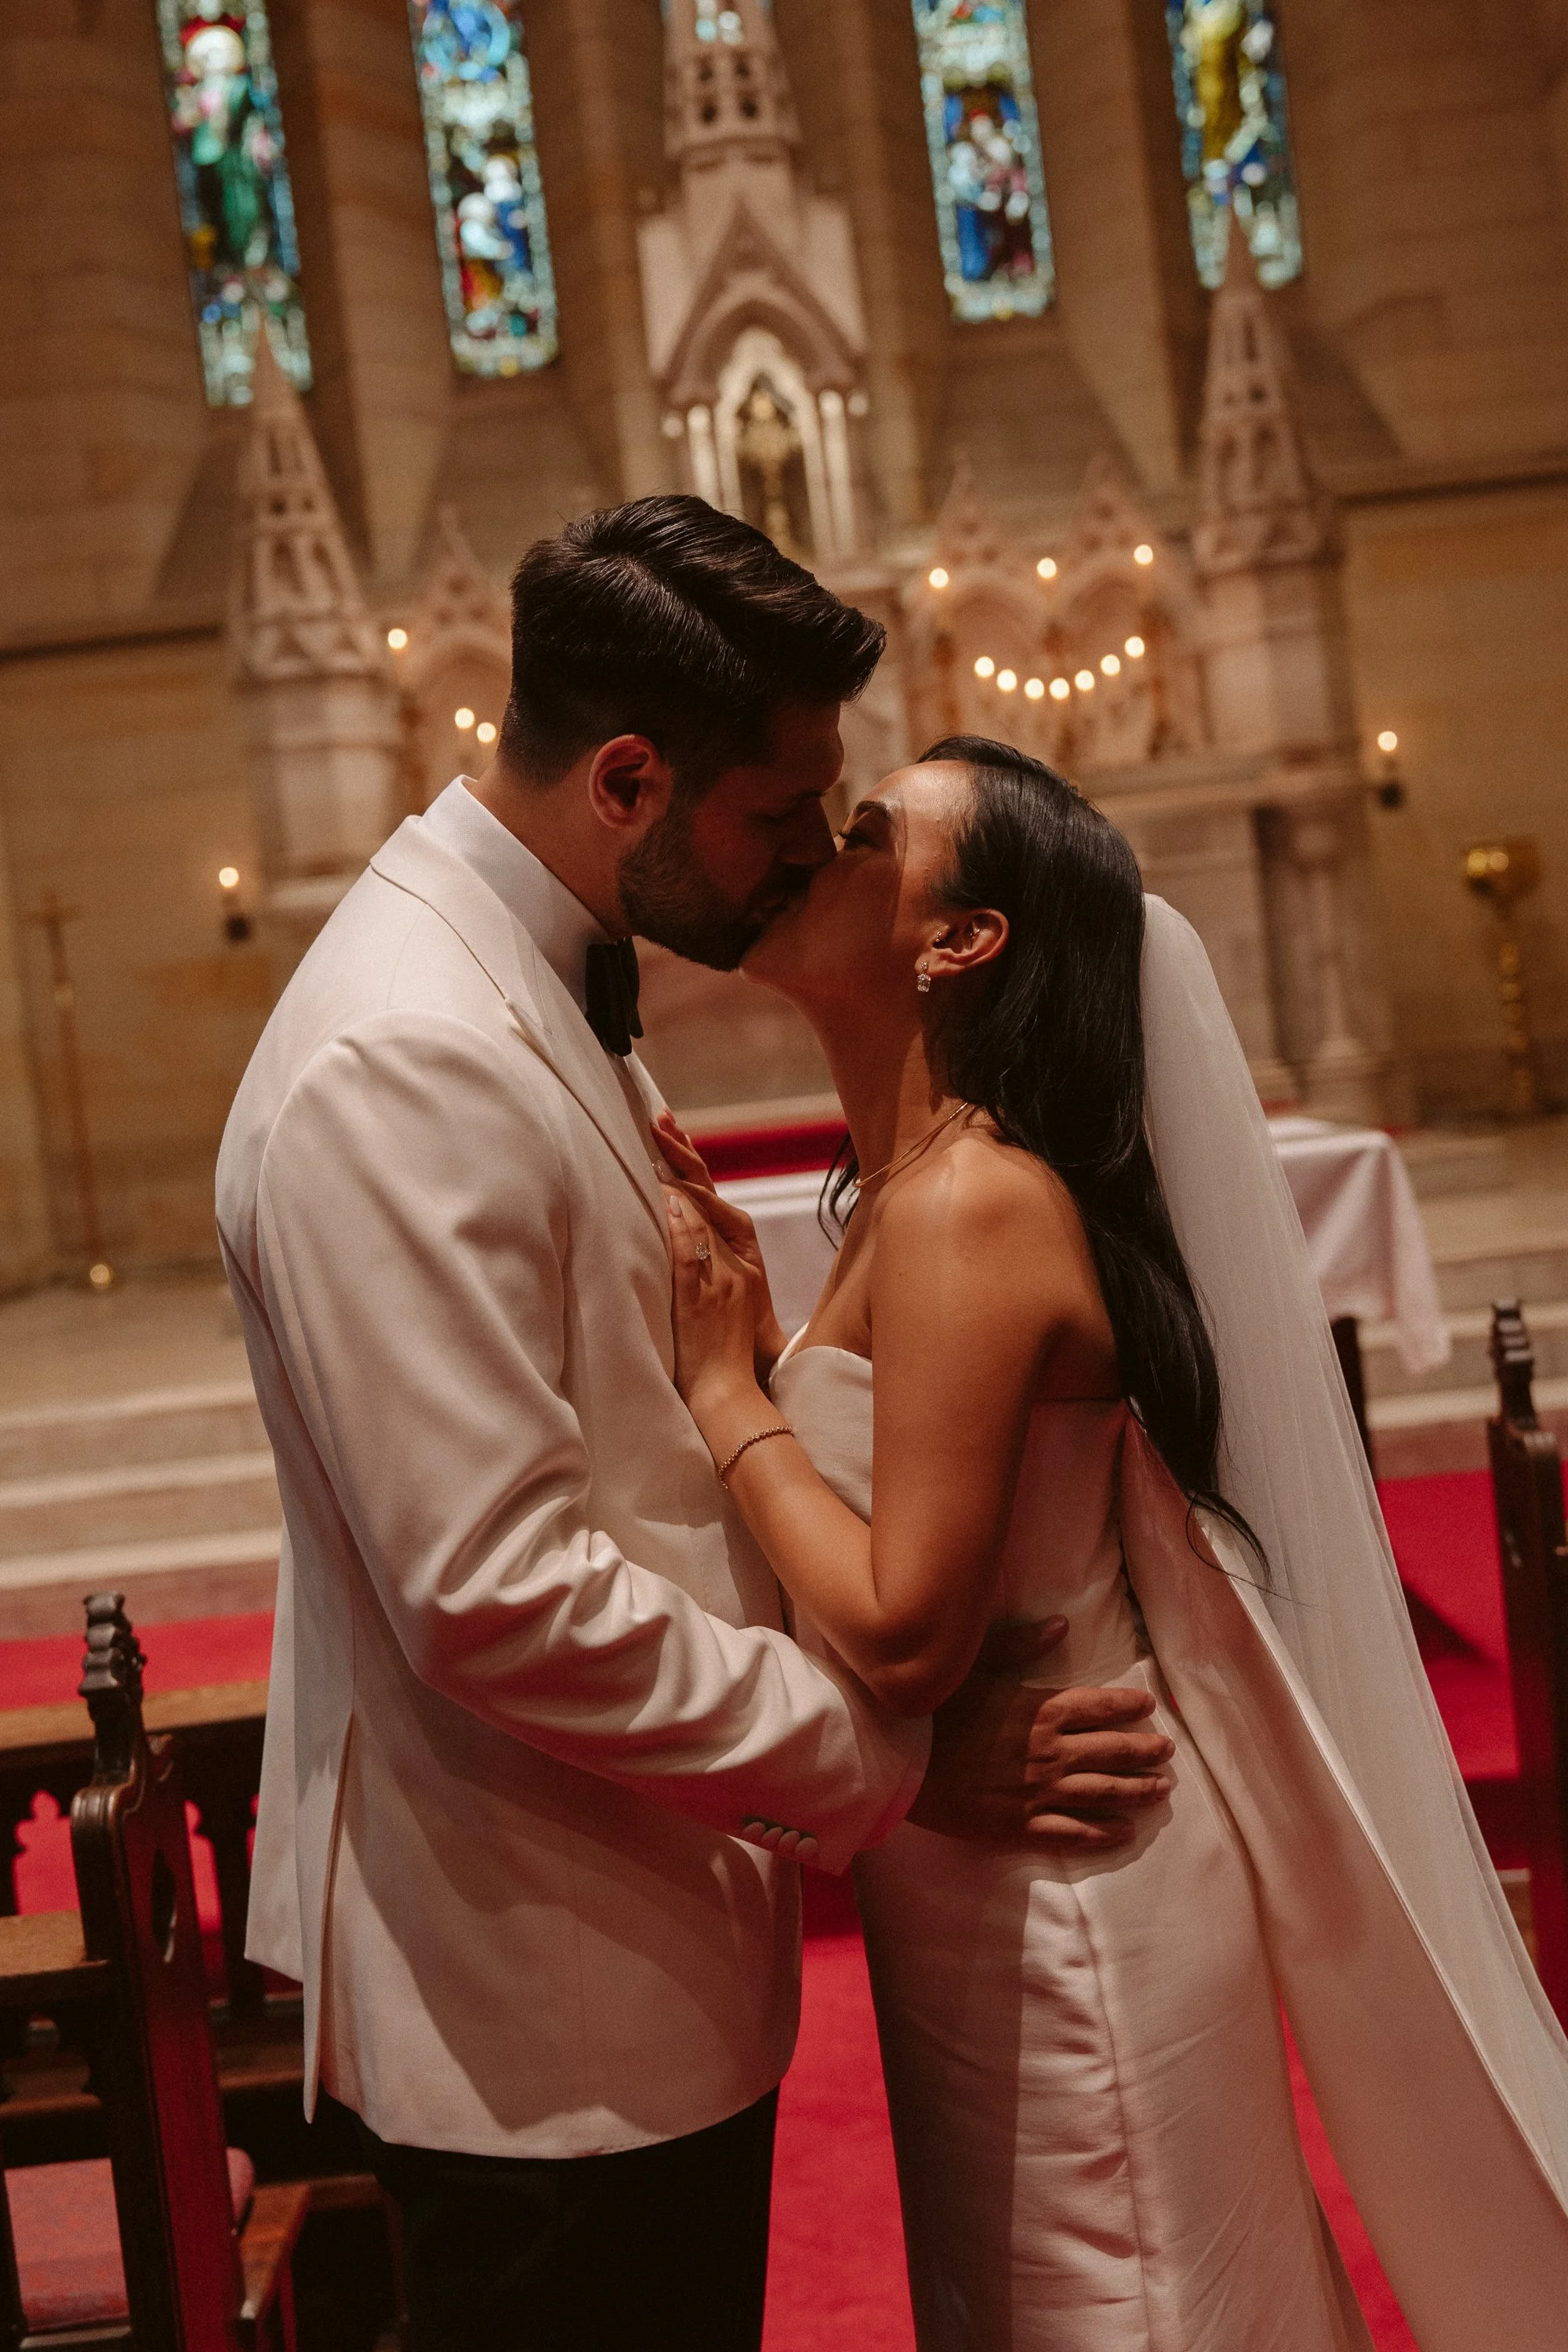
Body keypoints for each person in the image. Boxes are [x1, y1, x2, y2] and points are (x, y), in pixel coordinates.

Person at [216, 510, 1172, 2352]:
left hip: (631, 1913)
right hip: (549, 1986)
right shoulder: (403, 1056)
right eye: (778, 816)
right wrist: (885, 1765)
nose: (811, 856)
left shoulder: (528, 969)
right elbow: (494, 1593)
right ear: (629, 778)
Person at [658, 735, 1568, 2350]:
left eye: (869, 836)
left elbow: (902, 1634)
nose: (818, 847)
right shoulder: (911, 1193)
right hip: (989, 1866)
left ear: (961, 939)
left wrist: (728, 1391)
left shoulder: (970, 1205)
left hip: (1068, 1877)